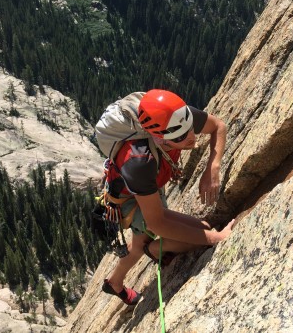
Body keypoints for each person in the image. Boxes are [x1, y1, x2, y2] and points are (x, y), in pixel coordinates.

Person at [101, 89, 235, 305]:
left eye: (190, 129)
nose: (191, 138)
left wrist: (213, 166)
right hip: (130, 198)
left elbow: (218, 126)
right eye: (181, 136)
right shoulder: (139, 163)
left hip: (150, 185)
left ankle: (114, 282)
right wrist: (216, 239)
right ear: (159, 139)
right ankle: (153, 250)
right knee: (201, 234)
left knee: (199, 227)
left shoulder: (176, 118)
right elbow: (158, 224)